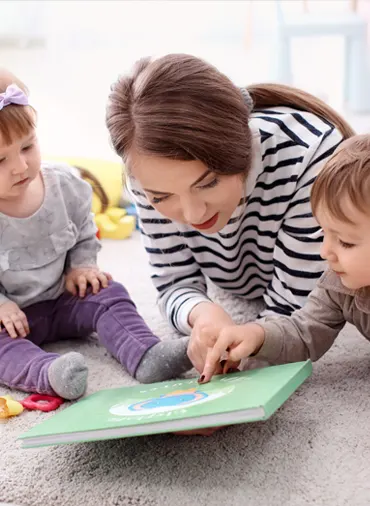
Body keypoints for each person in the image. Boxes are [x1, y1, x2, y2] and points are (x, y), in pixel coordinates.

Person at [105, 53, 354, 376]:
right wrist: (201, 314)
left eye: (207, 183)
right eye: (162, 197)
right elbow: (173, 281)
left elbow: (297, 315)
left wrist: (242, 349)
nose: (192, 214)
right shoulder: (145, 171)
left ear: (242, 148)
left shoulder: (309, 159)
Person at [0, 69, 192, 400]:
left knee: (109, 292)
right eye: (0, 160)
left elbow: (83, 230)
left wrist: (82, 266)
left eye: (28, 147)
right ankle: (50, 374)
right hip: (11, 319)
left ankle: (146, 355)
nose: (20, 166)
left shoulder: (66, 184)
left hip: (64, 295)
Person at [199, 134, 370, 383]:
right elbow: (304, 332)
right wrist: (258, 336)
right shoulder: (337, 286)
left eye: (345, 241)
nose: (325, 252)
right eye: (323, 232)